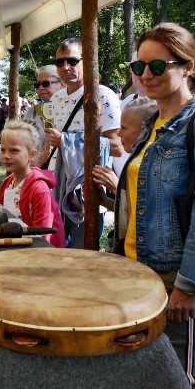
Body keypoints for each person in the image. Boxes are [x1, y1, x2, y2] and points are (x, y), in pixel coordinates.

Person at [113, 22, 195, 382]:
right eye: (139, 67)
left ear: (188, 66)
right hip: (135, 270)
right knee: (139, 378)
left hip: (171, 278)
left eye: (157, 66)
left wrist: (188, 284)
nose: (145, 75)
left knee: (173, 382)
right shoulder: (152, 122)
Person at [45, 37, 122, 248]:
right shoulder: (57, 99)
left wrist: (67, 141)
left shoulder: (103, 95)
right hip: (58, 187)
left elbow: (115, 145)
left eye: (72, 61)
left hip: (86, 191)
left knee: (82, 256)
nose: (65, 67)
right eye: (60, 62)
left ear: (86, 61)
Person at [0, 120, 66, 247]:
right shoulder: (7, 184)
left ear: (32, 154)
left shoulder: (39, 190)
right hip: (14, 248)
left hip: (39, 253)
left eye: (14, 151)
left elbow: (41, 235)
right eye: (3, 150)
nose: (6, 156)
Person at [91, 97, 157, 211]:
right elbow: (130, 213)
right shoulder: (135, 161)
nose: (119, 133)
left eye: (123, 128)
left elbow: (149, 213)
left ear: (144, 131)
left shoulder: (155, 166)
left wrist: (116, 187)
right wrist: (105, 201)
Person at [22, 64, 63, 166]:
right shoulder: (31, 112)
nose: (40, 88)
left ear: (62, 84)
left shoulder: (69, 110)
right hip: (37, 171)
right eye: (37, 84)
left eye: (46, 83)